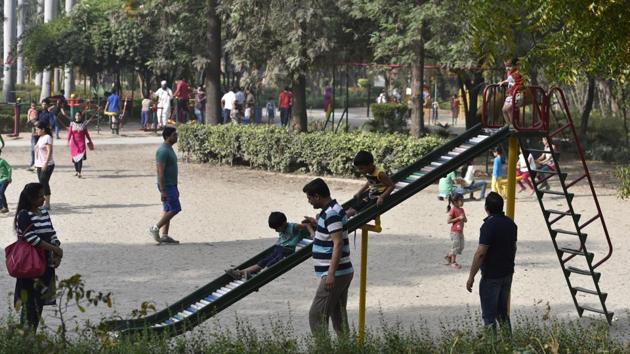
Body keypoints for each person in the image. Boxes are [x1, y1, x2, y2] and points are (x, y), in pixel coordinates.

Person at [301, 178, 353, 336]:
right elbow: (331, 234)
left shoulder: (330, 214)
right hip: (342, 271)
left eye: (309, 198)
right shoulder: (333, 209)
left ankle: (324, 349)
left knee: (316, 316)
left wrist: (330, 274)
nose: (309, 201)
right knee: (338, 316)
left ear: (317, 196)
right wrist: (316, 224)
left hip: (335, 273)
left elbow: (337, 243)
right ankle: (347, 349)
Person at [13, 182, 63, 332]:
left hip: (46, 265)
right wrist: (55, 248)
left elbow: (52, 233)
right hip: (30, 265)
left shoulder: (44, 213)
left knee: (39, 302)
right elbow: (31, 238)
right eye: (40, 196)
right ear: (31, 198)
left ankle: (31, 335)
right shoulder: (23, 215)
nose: (43, 199)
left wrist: (56, 251)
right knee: (29, 303)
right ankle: (25, 338)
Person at [466, 192, 517, 332]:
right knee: (502, 314)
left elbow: (481, 253)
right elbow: (513, 247)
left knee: (489, 317)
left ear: (486, 207)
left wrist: (471, 276)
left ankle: (492, 348)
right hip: (507, 273)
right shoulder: (511, 224)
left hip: (491, 276)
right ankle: (508, 345)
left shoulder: (488, 226)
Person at [225, 212, 314, 280]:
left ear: (284, 223)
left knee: (272, 263)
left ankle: (258, 276)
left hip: (287, 250)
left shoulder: (293, 226)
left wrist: (312, 234)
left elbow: (307, 225)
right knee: (263, 261)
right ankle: (240, 273)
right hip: (278, 248)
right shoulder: (283, 227)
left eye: (277, 228)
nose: (276, 231)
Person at [148, 126, 181, 244]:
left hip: (171, 185)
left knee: (167, 209)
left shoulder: (169, 148)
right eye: (174, 135)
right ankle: (155, 228)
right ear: (167, 137)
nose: (176, 137)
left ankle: (165, 235)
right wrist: (163, 190)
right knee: (176, 208)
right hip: (166, 185)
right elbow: (160, 171)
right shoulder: (163, 151)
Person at [346, 151, 395, 217]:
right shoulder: (368, 172)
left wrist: (382, 197)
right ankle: (349, 212)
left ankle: (355, 214)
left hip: (379, 195)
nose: (360, 171)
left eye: (361, 168)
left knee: (362, 212)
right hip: (372, 193)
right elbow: (370, 182)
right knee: (355, 206)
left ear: (370, 165)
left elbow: (392, 186)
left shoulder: (380, 174)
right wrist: (359, 192)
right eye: (358, 168)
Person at [34, 121, 55, 210]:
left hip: (47, 164)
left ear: (43, 129)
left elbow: (50, 151)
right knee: (41, 184)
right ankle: (42, 202)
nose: (36, 131)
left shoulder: (47, 137)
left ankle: (47, 204)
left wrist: (46, 163)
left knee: (44, 183)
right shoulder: (40, 138)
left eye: (37, 129)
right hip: (39, 164)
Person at [67, 111, 93, 179]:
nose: (77, 117)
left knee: (80, 159)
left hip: (81, 144)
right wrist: (68, 140)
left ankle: (79, 172)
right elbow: (69, 133)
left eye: (79, 115)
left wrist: (90, 140)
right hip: (74, 144)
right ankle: (76, 171)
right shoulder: (72, 124)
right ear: (75, 116)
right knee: (75, 159)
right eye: (76, 115)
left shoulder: (83, 124)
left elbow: (86, 134)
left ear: (81, 116)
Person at [445, 192, 467, 269]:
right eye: (461, 200)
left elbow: (465, 220)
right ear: (455, 202)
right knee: (456, 247)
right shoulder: (453, 210)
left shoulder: (462, 210)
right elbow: (448, 221)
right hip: (454, 232)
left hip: (460, 231)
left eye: (463, 200)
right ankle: (453, 262)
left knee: (461, 247)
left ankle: (449, 256)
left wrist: (463, 218)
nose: (463, 202)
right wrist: (458, 218)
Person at [499, 58, 522, 125]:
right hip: (511, 95)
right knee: (504, 110)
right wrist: (503, 82)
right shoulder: (511, 74)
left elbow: (510, 80)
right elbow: (509, 80)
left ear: (516, 66)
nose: (507, 68)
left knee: (509, 109)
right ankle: (508, 124)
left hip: (517, 95)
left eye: (510, 66)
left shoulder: (517, 73)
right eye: (506, 66)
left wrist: (503, 82)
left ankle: (513, 125)